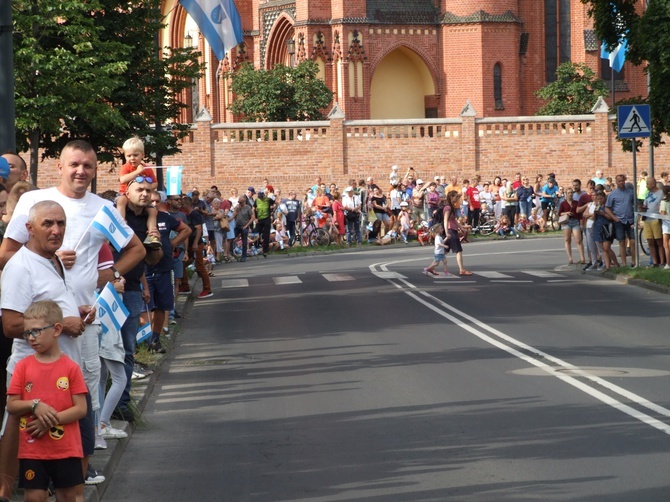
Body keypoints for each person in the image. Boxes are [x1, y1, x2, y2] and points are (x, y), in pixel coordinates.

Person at [0, 140, 145, 493]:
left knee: (80, 405)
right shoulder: (35, 202)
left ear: (95, 171)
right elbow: (8, 254)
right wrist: (46, 260)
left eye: (88, 166)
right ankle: (11, 484)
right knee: (24, 414)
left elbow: (136, 249)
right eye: (74, 164)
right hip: (40, 334)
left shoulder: (103, 207)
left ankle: (68, 480)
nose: (81, 171)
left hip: (84, 326)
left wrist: (107, 280)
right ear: (60, 167)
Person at [7, 301, 89, 502]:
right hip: (32, 448)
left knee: (67, 495)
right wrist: (34, 405)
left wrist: (50, 420)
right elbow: (12, 405)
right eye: (27, 333)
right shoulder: (23, 367)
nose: (31, 338)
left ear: (56, 329)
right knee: (33, 497)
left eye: (36, 331)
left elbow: (81, 408)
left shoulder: (71, 368)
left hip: (66, 448)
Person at [147, 191, 190, 353]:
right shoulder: (138, 219)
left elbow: (185, 230)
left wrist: (171, 244)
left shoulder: (165, 218)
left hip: (164, 267)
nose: (153, 204)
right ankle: (145, 341)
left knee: (161, 306)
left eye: (157, 201)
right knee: (145, 307)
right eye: (151, 201)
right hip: (144, 270)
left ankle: (155, 339)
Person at [115, 137, 161, 250]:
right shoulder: (126, 167)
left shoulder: (148, 169)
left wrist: (146, 186)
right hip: (125, 194)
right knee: (121, 201)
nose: (132, 158)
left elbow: (155, 183)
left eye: (135, 155)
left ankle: (151, 234)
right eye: (128, 156)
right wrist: (137, 172)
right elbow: (122, 180)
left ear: (142, 155)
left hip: (140, 198)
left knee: (152, 211)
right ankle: (121, 224)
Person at [180, 196, 212, 297]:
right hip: (189, 243)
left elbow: (199, 229)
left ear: (187, 204)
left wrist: (195, 243)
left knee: (200, 266)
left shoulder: (194, 215)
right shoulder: (188, 215)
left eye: (182, 204)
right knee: (182, 264)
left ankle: (207, 289)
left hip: (196, 244)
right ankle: (185, 286)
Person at [605, 174, 637, 267]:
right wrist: (614, 218)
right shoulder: (613, 194)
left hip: (630, 220)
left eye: (622, 181)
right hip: (619, 220)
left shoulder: (630, 192)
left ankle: (634, 261)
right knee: (621, 241)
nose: (621, 183)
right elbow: (607, 208)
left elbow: (635, 204)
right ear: (616, 182)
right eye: (619, 181)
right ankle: (624, 262)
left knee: (633, 241)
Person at [442, 190, 472, 276]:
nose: (457, 198)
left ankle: (431, 267)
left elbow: (454, 220)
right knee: (458, 250)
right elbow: (445, 220)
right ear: (451, 197)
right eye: (455, 197)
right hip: (451, 230)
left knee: (445, 251)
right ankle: (462, 269)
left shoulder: (452, 207)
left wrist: (461, 227)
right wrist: (447, 232)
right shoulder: (448, 208)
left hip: (452, 229)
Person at [640, 176, 665, 267]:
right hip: (647, 219)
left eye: (647, 183)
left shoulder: (660, 193)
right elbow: (645, 205)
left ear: (653, 184)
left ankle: (662, 261)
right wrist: (642, 208)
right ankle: (654, 262)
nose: (646, 185)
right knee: (650, 241)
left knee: (659, 241)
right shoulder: (647, 194)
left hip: (656, 219)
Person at [593, 190, 619, 270]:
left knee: (607, 248)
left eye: (601, 198)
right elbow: (594, 218)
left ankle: (616, 263)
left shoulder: (607, 207)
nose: (600, 200)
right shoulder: (597, 206)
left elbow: (611, 218)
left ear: (605, 198)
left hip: (607, 228)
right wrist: (595, 212)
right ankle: (607, 266)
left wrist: (603, 214)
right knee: (603, 249)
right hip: (598, 227)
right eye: (598, 199)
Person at [558, 188, 585, 265]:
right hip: (567, 222)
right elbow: (560, 213)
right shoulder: (563, 203)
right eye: (568, 193)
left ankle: (582, 257)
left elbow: (580, 214)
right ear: (566, 194)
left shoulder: (576, 203)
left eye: (571, 193)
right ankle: (570, 258)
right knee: (567, 240)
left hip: (575, 221)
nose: (570, 194)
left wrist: (581, 223)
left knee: (578, 240)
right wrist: (566, 213)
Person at [253, 189, 275, 257]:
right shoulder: (257, 200)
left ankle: (265, 250)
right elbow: (253, 208)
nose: (260, 198)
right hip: (259, 219)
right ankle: (256, 247)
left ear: (264, 195)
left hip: (266, 219)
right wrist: (255, 218)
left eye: (261, 196)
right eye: (259, 196)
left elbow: (274, 203)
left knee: (266, 235)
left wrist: (272, 211)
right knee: (256, 233)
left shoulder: (268, 199)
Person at [232, 196, 253, 262]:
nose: (239, 203)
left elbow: (252, 217)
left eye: (241, 202)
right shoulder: (238, 207)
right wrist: (236, 210)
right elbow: (233, 215)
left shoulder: (248, 208)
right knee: (231, 239)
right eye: (239, 202)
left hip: (244, 226)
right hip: (237, 226)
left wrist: (247, 225)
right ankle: (231, 253)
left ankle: (243, 256)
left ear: (244, 202)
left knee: (244, 241)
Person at [660, 186, 670, 269]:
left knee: (666, 245)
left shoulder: (664, 202)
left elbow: (662, 214)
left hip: (667, 224)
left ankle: (668, 263)